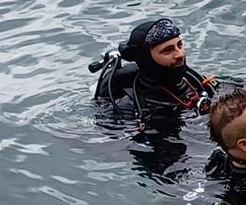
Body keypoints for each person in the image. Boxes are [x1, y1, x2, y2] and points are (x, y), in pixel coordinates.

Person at [91, 18, 219, 127]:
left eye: (179, 45)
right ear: (146, 59)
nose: (180, 54)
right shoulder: (128, 108)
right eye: (167, 51)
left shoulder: (196, 82)